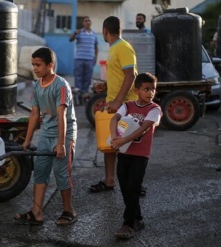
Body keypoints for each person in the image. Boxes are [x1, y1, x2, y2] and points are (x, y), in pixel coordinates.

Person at [13, 47, 77, 226]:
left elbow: (62, 115)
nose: (35, 68)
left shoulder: (61, 85)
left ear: (50, 65)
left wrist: (61, 144)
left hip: (64, 133)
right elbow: (34, 114)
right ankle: (36, 213)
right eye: (33, 65)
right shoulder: (37, 85)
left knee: (61, 173)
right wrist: (27, 140)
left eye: (38, 65)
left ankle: (68, 210)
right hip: (46, 134)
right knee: (40, 172)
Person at [109, 72, 162, 239]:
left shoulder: (154, 109)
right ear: (137, 90)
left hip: (140, 155)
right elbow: (114, 119)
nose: (150, 93)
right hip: (123, 152)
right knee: (125, 187)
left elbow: (144, 128)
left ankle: (128, 224)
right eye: (146, 89)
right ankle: (137, 219)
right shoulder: (128, 105)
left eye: (153, 89)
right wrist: (114, 137)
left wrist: (123, 139)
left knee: (133, 187)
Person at [89, 16, 139, 194]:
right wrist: (105, 86)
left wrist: (118, 101)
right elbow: (119, 75)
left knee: (127, 146)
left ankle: (134, 185)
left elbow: (130, 76)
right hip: (113, 103)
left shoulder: (123, 47)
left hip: (126, 105)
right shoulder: (113, 48)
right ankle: (109, 180)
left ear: (104, 30)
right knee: (110, 143)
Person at [69, 16, 98, 101]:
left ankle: (84, 97)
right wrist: (75, 34)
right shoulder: (79, 32)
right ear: (83, 23)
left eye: (89, 21)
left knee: (87, 79)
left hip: (89, 60)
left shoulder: (94, 34)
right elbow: (70, 40)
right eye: (86, 21)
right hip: (79, 59)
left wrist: (95, 58)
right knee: (78, 78)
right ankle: (77, 97)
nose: (88, 22)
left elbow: (96, 47)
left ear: (91, 23)